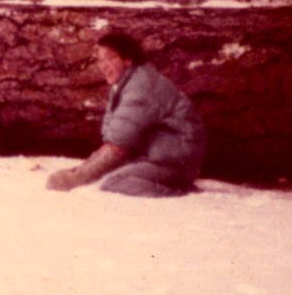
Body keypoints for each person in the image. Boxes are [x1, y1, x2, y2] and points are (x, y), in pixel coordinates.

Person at [47, 30, 205, 197]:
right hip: (158, 158)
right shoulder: (124, 84)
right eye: (100, 60)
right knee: (106, 176)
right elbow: (114, 141)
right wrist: (79, 171)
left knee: (114, 181)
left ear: (128, 59)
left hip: (176, 164)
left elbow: (118, 147)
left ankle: (177, 195)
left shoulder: (141, 87)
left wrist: (74, 179)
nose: (103, 65)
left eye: (109, 58)